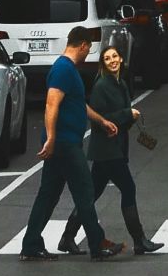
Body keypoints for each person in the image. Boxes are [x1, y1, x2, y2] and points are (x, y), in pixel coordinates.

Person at [20, 27, 124, 262]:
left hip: (62, 142)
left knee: (48, 195)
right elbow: (51, 104)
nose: (88, 53)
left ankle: (31, 244)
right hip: (64, 144)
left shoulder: (67, 69)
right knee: (85, 191)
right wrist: (51, 137)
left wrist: (101, 121)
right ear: (83, 45)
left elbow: (77, 104)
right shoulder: (63, 69)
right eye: (89, 48)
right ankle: (97, 244)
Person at [56, 43, 163, 256]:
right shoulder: (102, 86)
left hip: (114, 149)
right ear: (103, 64)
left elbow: (120, 121)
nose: (112, 61)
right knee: (128, 189)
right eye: (107, 59)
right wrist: (127, 114)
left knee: (91, 194)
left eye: (115, 57)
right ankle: (139, 240)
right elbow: (99, 120)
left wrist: (129, 117)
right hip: (107, 150)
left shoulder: (121, 83)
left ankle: (67, 237)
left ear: (121, 59)